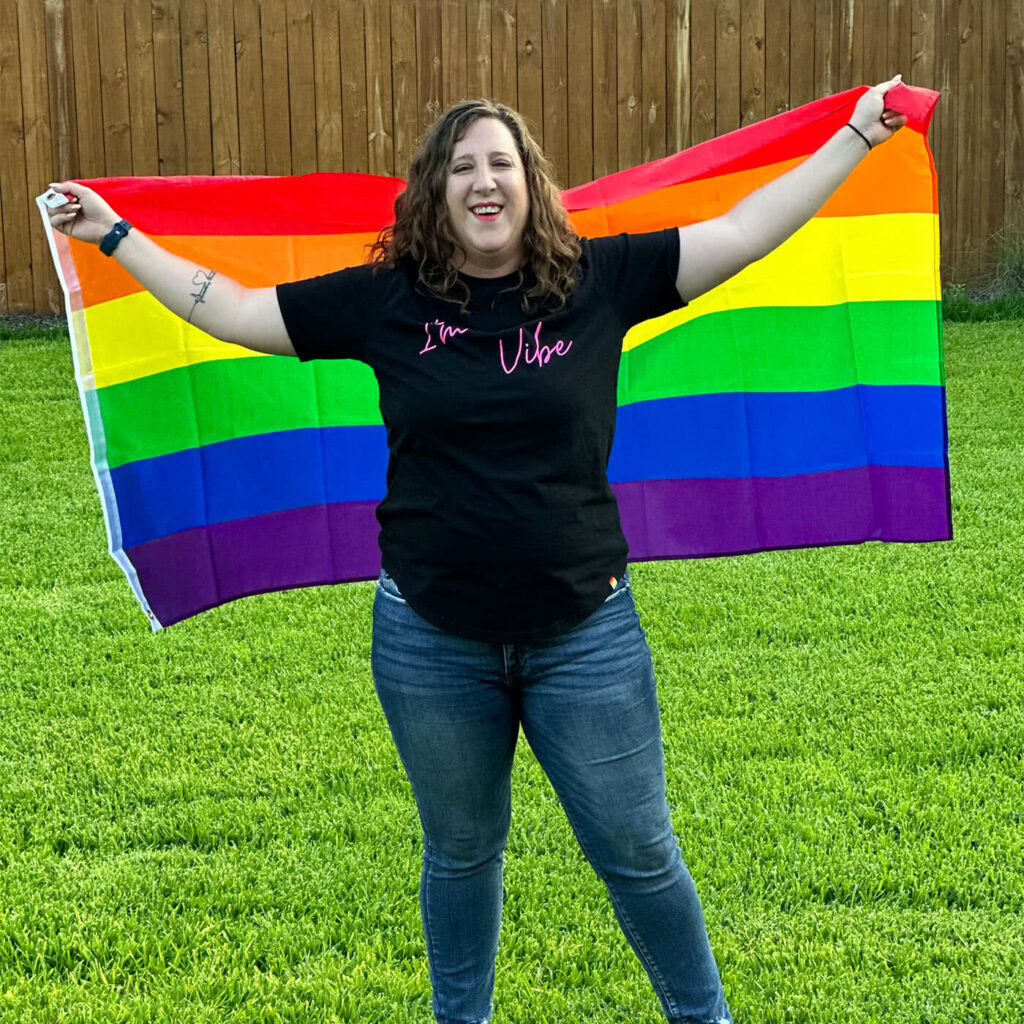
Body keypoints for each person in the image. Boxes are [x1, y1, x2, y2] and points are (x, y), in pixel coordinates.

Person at [47, 75, 907, 1024]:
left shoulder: (597, 280)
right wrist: (117, 237)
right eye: (463, 167)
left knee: (640, 850)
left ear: (530, 183)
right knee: (460, 854)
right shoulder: (386, 301)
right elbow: (237, 311)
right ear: (435, 193)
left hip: (586, 633)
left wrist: (859, 135)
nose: (484, 181)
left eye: (501, 162)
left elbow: (745, 231)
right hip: (430, 642)